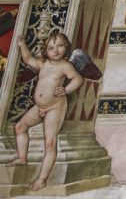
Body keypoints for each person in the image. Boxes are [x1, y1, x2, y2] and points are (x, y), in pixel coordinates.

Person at [11, 32, 84, 191]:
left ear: (66, 47)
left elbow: (78, 79)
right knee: (20, 127)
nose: (56, 50)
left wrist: (66, 89)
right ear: (46, 51)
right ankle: (22, 158)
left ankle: (42, 179)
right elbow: (27, 59)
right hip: (40, 107)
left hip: (55, 107)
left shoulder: (65, 66)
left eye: (60, 46)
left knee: (49, 143)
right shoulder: (42, 63)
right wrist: (22, 45)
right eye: (51, 48)